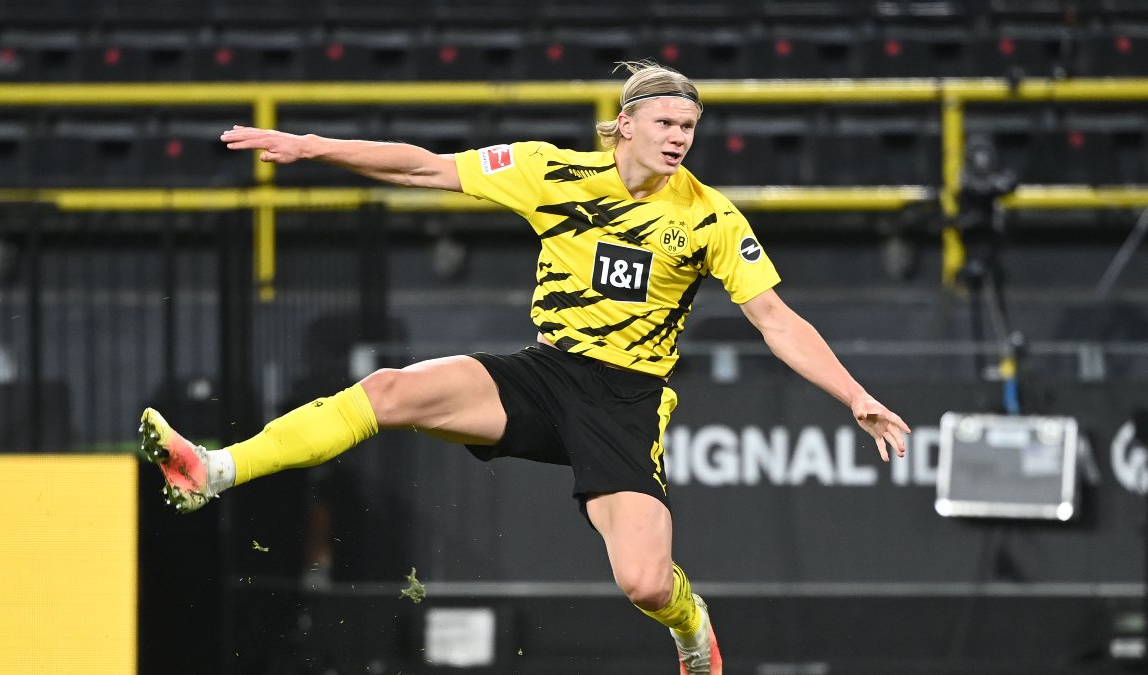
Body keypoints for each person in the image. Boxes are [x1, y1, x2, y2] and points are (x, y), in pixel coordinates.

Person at [138, 61, 911, 675]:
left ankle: (691, 624)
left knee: (645, 582)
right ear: (625, 124)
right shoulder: (550, 171)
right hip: (545, 375)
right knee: (390, 389)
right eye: (667, 123)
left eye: (689, 127)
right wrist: (313, 147)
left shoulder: (709, 215)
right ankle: (214, 468)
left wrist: (853, 394)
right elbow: (425, 168)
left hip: (625, 402)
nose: (680, 138)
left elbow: (775, 317)